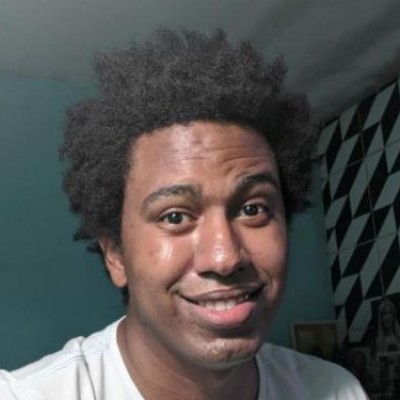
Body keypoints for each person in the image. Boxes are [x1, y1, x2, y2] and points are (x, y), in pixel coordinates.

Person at [0, 29, 368, 399]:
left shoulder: (337, 391)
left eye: (253, 209)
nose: (224, 258)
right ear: (115, 254)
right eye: (175, 217)